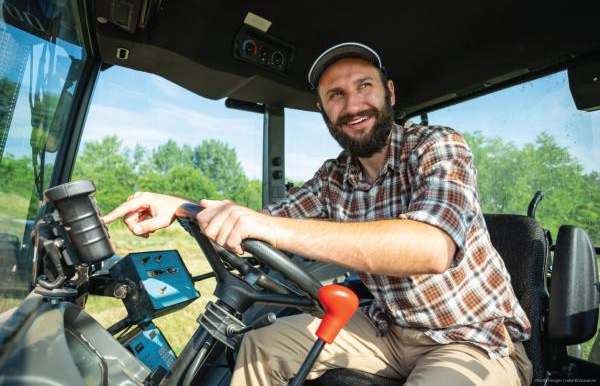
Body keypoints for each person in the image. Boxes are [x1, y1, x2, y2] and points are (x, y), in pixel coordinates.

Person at [103, 42, 534, 386]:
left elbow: (431, 247)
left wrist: (266, 225)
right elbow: (262, 220)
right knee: (260, 345)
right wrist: (177, 204)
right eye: (336, 95)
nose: (353, 104)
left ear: (390, 93)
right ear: (324, 111)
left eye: (365, 86)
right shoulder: (334, 178)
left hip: (471, 340)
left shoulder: (437, 146)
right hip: (388, 330)